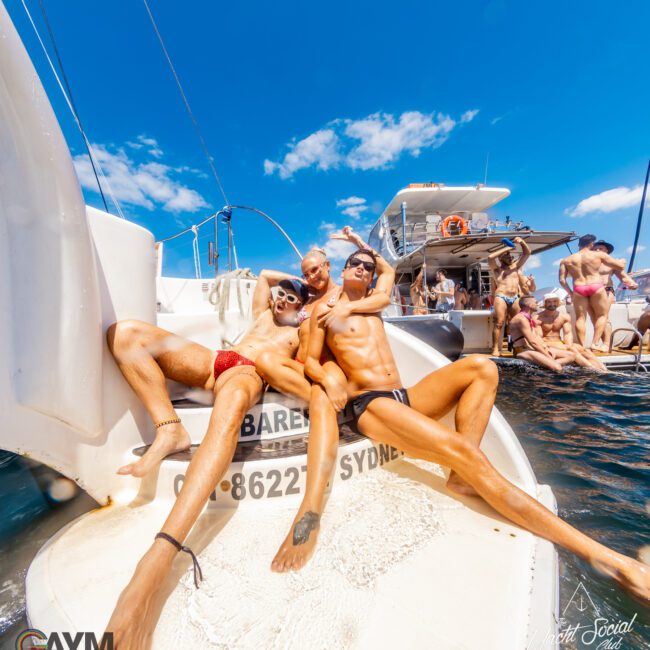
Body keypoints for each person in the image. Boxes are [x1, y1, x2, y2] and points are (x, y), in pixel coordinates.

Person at [297, 257, 650, 602]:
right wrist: (329, 380)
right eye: (354, 264)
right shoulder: (325, 311)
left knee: (482, 367)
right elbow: (309, 359)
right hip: (369, 403)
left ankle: (463, 476)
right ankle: (606, 558)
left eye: (368, 266)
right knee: (468, 453)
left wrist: (364, 248)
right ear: (341, 270)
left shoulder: (373, 304)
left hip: (403, 395)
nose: (363, 268)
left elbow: (387, 273)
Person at [105, 271, 310, 647]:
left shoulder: (299, 333)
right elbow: (264, 276)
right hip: (217, 359)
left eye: (291, 299)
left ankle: (155, 564)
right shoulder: (263, 315)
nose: (281, 300)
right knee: (125, 334)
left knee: (228, 413)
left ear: (302, 309)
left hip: (249, 373)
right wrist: (293, 282)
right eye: (281, 296)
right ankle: (170, 428)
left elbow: (311, 363)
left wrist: (311, 302)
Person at [261, 234, 395, 572]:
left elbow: (383, 276)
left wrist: (358, 244)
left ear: (330, 266)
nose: (312, 277)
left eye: (317, 270)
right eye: (306, 273)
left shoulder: (344, 296)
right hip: (307, 369)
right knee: (265, 359)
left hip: (328, 367)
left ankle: (310, 511)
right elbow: (264, 277)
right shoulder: (304, 298)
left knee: (325, 385)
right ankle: (332, 400)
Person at [559, 234, 628, 352]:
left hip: (579, 288)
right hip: (595, 286)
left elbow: (562, 280)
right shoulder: (598, 255)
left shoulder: (567, 260)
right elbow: (620, 266)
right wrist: (623, 261)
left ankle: (581, 346)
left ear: (579, 244)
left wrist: (570, 292)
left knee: (580, 318)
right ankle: (595, 343)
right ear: (591, 244)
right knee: (602, 316)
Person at [537, 295, 608, 372]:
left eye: (554, 301)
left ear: (558, 303)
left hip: (560, 343)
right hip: (547, 343)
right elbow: (538, 337)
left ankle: (604, 369)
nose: (552, 304)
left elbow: (567, 334)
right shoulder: (538, 318)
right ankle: (594, 369)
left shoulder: (564, 317)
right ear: (545, 303)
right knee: (572, 350)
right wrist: (568, 347)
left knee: (585, 350)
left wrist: (568, 345)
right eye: (549, 302)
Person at [590, 240, 638, 349]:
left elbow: (623, 276)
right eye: (595, 248)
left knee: (604, 318)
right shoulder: (588, 263)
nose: (597, 250)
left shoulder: (613, 263)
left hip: (606, 290)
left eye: (600, 248)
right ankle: (601, 344)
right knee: (595, 320)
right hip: (591, 292)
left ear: (607, 251)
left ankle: (606, 344)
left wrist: (631, 283)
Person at [508, 296, 577, 371]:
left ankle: (545, 365)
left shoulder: (528, 318)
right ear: (529, 305)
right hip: (523, 351)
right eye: (535, 302)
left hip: (531, 349)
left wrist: (546, 349)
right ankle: (549, 365)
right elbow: (533, 342)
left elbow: (536, 337)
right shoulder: (522, 319)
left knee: (571, 356)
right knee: (557, 368)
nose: (537, 304)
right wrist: (548, 356)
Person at [488, 236, 531, 356]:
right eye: (507, 255)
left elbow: (527, 253)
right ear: (501, 258)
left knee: (517, 323)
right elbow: (490, 257)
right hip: (501, 296)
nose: (511, 256)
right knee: (499, 323)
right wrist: (506, 248)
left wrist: (522, 242)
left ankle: (517, 347)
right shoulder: (496, 269)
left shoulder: (516, 267)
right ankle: (495, 348)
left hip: (515, 297)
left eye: (511, 255)